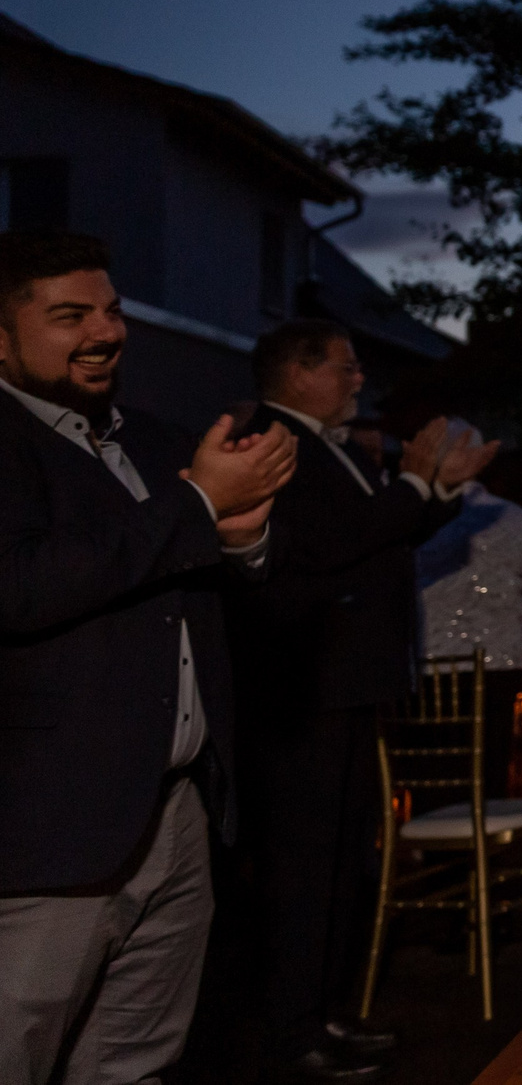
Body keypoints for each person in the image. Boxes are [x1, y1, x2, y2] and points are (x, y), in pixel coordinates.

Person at [0, 231, 297, 1085]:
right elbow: (19, 587)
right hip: (48, 833)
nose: (106, 331)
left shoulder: (154, 441)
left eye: (112, 309)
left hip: (174, 814)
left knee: (133, 1067)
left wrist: (240, 537)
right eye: (70, 315)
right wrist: (198, 502)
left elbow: (187, 584)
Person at [231, 321, 499, 1083]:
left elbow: (384, 536)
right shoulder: (272, 440)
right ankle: (291, 1032)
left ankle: (323, 1012)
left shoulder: (330, 444)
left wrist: (437, 490)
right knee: (303, 867)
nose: (358, 379)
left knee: (344, 859)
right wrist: (413, 482)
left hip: (345, 684)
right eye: (345, 367)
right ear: (297, 371)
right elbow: (327, 540)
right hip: (302, 689)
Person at [416, 478, 522, 778]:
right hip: (499, 659)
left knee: (436, 769)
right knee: (487, 768)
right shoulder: (512, 515)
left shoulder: (421, 516)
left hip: (434, 662)